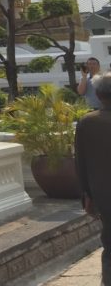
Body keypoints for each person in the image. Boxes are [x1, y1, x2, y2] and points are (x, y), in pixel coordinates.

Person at [75, 73, 111, 286]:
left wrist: (86, 195)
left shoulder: (88, 122)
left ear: (97, 94)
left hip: (104, 195)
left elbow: (81, 163)